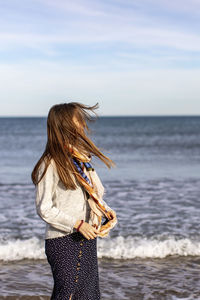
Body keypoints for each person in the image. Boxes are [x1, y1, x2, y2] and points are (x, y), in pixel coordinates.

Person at [31, 102, 117, 300]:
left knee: (88, 295)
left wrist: (106, 212)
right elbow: (44, 209)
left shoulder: (80, 160)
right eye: (77, 120)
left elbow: (96, 193)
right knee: (67, 295)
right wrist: (78, 224)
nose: (82, 124)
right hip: (63, 240)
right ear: (64, 124)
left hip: (86, 238)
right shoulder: (50, 162)